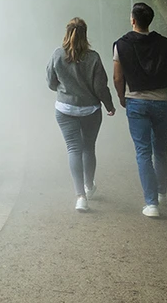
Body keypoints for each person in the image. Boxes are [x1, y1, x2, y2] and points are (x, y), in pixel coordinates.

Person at [112, 2, 167, 218]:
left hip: (136, 102)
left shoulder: (121, 45)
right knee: (161, 150)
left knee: (143, 152)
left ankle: (151, 203)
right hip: (162, 101)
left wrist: (121, 96)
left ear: (133, 20)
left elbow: (117, 77)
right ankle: (161, 193)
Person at [46, 17, 116, 212]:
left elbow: (50, 82)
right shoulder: (93, 58)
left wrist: (64, 89)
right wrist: (109, 105)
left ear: (67, 33)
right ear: (85, 34)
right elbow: (100, 87)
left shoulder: (57, 54)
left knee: (73, 149)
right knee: (88, 148)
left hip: (65, 109)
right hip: (90, 110)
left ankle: (80, 197)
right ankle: (89, 186)